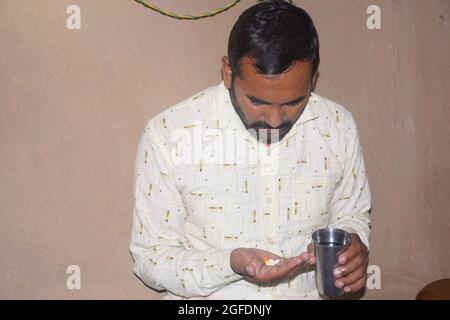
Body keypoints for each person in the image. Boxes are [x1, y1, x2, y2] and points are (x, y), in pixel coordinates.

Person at [130, 0, 371, 300]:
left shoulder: (337, 126)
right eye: (258, 101)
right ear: (228, 72)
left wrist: (352, 245)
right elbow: (151, 257)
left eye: (294, 102)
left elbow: (353, 213)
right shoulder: (168, 134)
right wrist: (229, 263)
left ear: (313, 78)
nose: (275, 120)